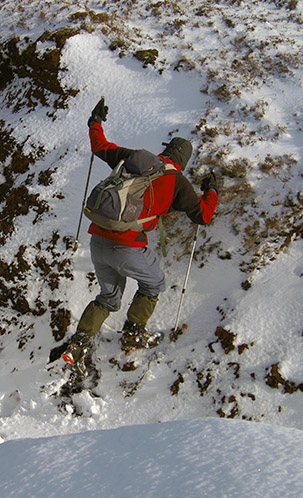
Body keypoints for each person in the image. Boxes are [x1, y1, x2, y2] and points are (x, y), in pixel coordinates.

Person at [62, 99, 220, 369]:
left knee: (108, 298)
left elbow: (99, 146)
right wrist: (212, 191)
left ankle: (78, 344)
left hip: (98, 239)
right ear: (183, 161)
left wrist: (95, 121)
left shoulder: (135, 157)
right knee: (154, 283)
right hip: (128, 246)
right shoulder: (178, 183)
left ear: (166, 152)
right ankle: (133, 335)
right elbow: (204, 216)